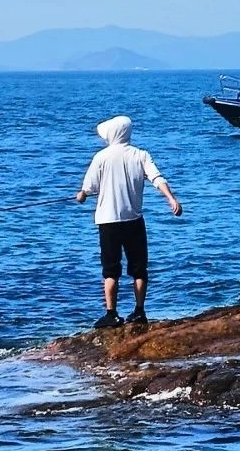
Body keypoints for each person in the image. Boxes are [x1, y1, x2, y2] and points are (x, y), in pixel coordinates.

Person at [75, 115, 182, 332]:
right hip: (134, 220)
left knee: (110, 269)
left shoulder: (101, 157)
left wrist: (82, 195)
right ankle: (139, 311)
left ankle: (111, 314)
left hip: (108, 222)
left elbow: (89, 188)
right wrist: (171, 199)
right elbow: (157, 178)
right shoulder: (140, 155)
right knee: (139, 268)